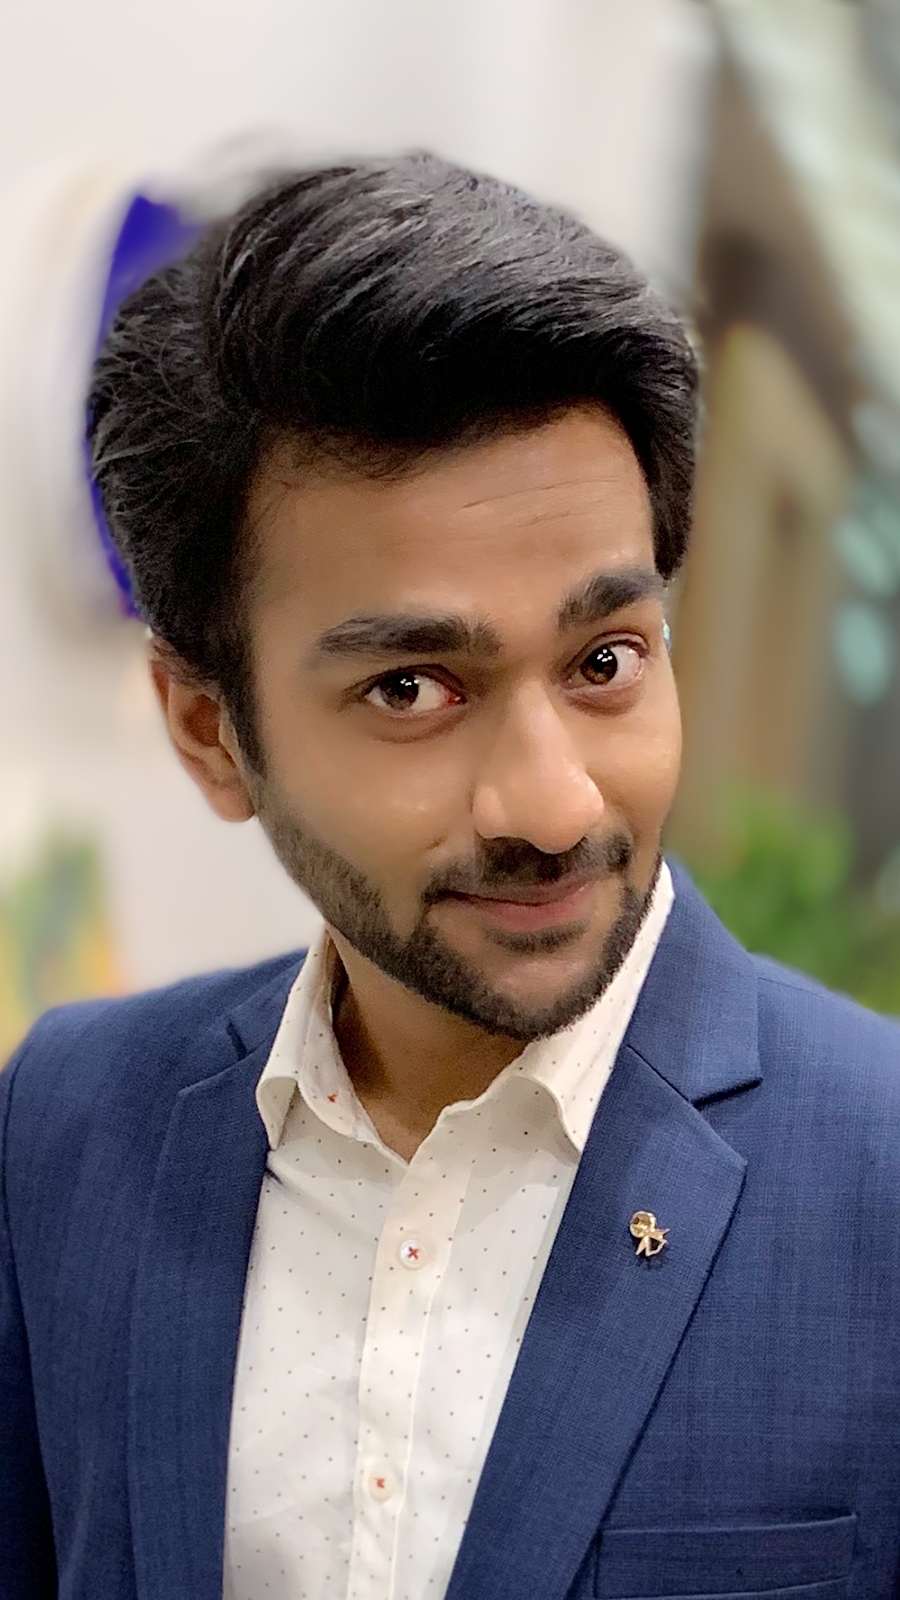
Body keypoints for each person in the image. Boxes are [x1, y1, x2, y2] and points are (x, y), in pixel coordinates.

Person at [2, 153, 899, 1600]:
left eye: (606, 661)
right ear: (210, 731)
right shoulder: (68, 1126)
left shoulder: (880, 1173)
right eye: (412, 688)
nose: (554, 802)